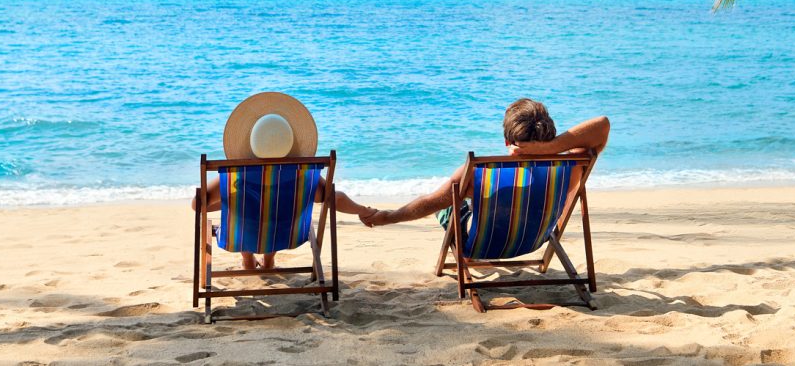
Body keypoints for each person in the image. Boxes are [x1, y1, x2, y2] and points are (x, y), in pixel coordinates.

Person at [191, 92, 377, 271]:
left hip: (242, 236)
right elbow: (333, 198)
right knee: (278, 210)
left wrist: (228, 204)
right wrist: (363, 210)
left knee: (244, 208)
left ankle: (247, 260)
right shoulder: (302, 174)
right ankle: (269, 260)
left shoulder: (237, 174)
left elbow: (198, 204)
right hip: (285, 235)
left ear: (251, 141)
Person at [366, 98, 609, 227]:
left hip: (486, 244)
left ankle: (469, 259)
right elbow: (602, 125)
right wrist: (547, 149)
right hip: (536, 237)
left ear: (507, 140)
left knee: (447, 203)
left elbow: (430, 203)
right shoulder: (573, 166)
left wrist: (387, 216)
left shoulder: (482, 172)